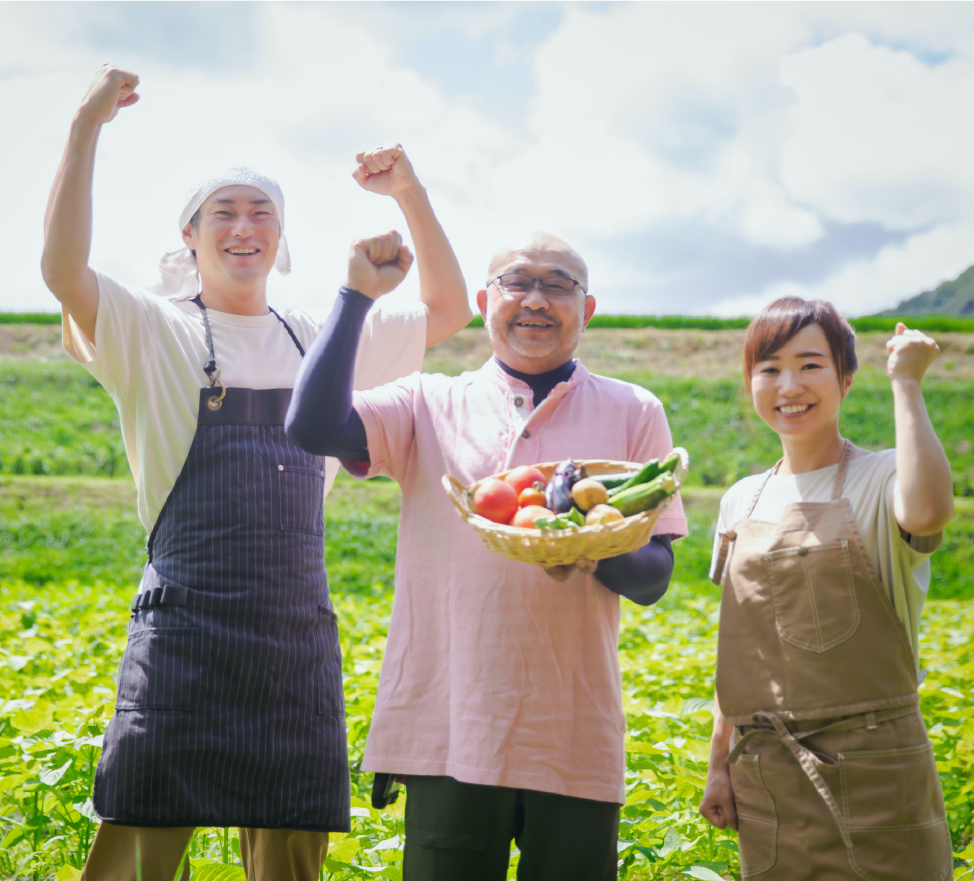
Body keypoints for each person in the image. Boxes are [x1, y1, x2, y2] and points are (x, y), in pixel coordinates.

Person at [40, 66, 472, 881]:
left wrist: (407, 192)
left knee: (288, 855)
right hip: (183, 631)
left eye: (260, 212)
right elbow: (63, 272)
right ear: (190, 237)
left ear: (281, 238)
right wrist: (86, 125)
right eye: (223, 213)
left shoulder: (319, 335)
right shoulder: (151, 330)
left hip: (290, 636)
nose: (243, 226)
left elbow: (448, 309)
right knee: (141, 839)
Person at [286, 209, 689, 879]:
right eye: (515, 281)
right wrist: (355, 296)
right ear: (483, 303)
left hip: (573, 730)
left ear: (585, 309)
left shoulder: (633, 410)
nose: (535, 298)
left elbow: (652, 577)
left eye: (557, 285)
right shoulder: (427, 402)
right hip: (451, 725)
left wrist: (592, 546)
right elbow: (310, 425)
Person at [697, 298, 955, 880]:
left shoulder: (885, 474)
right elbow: (740, 646)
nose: (789, 384)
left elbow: (929, 509)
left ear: (845, 378)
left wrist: (907, 384)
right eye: (769, 368)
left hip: (876, 771)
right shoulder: (743, 499)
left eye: (810, 365)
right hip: (767, 774)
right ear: (750, 383)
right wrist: (720, 764)